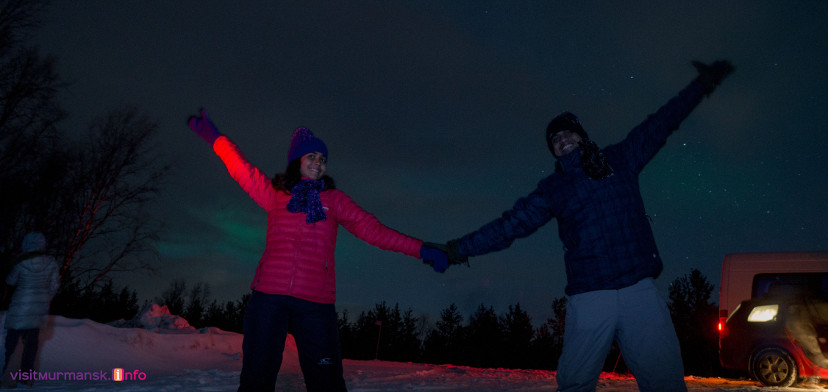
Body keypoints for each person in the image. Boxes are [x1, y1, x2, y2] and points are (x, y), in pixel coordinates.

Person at [435, 60, 733, 392]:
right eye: (554, 139)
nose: (561, 140)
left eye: (567, 132)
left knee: (665, 382)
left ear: (581, 135)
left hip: (639, 291)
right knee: (575, 383)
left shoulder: (621, 158)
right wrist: (458, 249)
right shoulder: (553, 189)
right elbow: (510, 226)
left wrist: (701, 86)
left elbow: (661, 123)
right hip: (591, 297)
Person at [187, 110, 448, 392]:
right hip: (268, 300)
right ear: (296, 161)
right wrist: (215, 138)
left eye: (322, 159)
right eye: (311, 156)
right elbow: (240, 168)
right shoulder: (276, 194)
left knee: (327, 383)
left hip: (315, 304)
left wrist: (421, 249)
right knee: (256, 380)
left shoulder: (334, 200)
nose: (318, 163)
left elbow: (375, 230)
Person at [2, 232, 60, 387]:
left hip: (19, 310)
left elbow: (11, 281)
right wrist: (44, 301)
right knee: (31, 346)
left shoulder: (21, 262)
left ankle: (9, 378)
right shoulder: (52, 263)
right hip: (38, 312)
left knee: (13, 344)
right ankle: (25, 378)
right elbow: (55, 287)